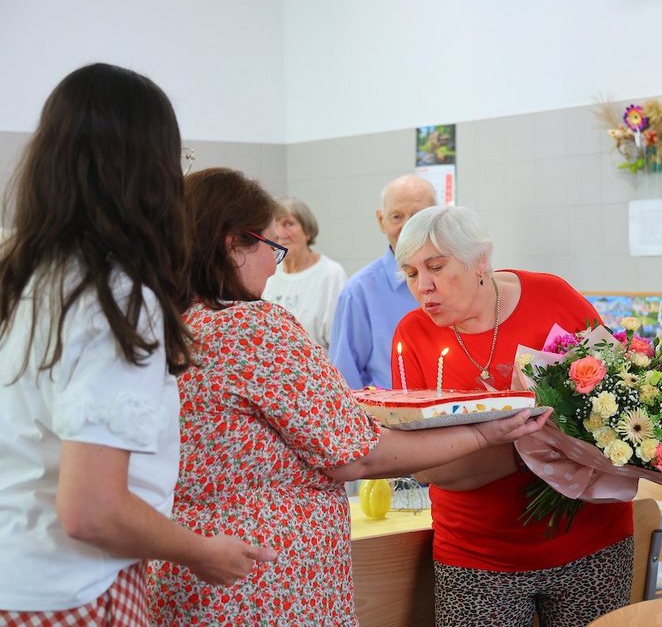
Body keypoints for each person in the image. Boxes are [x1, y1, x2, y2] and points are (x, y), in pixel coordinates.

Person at [147, 168, 550, 626]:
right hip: (264, 583)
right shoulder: (252, 328)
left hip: (185, 567)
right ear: (232, 244)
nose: (274, 265)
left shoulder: (165, 324)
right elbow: (355, 455)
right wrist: (484, 433)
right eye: (270, 247)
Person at [0, 63, 274, 625]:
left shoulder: (22, 272)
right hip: (74, 587)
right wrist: (201, 551)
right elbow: (92, 509)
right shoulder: (115, 294)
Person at [393, 206, 634, 627]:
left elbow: (616, 400)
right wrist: (536, 447)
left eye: (436, 266)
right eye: (411, 274)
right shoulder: (413, 335)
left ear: (479, 261)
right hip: (478, 555)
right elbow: (428, 467)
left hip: (591, 540)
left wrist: (499, 444)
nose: (424, 287)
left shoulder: (552, 296)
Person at [330, 174, 437, 389]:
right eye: (397, 216)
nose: (408, 226)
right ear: (381, 221)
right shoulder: (359, 291)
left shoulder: (458, 278)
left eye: (418, 216)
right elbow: (345, 379)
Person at [262, 196, 346, 350]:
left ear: (307, 231)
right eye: (276, 225)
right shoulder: (268, 271)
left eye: (289, 224)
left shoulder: (331, 274)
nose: (281, 233)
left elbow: (339, 341)